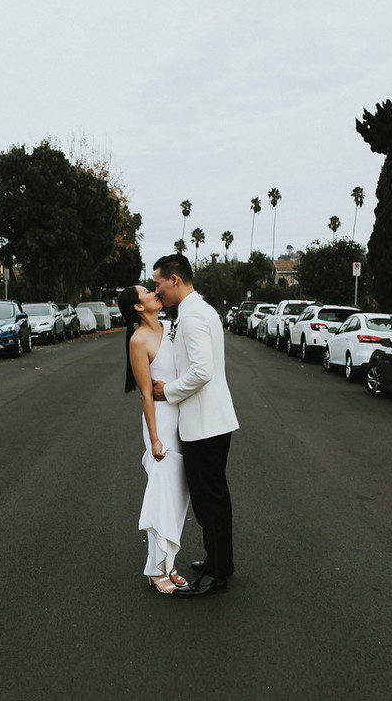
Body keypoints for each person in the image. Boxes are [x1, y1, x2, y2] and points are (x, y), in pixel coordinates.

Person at [152, 254, 239, 597]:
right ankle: (221, 560)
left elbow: (202, 371)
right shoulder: (197, 310)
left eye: (158, 283)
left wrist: (167, 392)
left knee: (209, 500)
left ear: (175, 279)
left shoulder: (192, 316)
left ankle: (217, 573)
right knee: (216, 496)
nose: (156, 290)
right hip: (210, 420)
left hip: (205, 423)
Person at [118, 284, 190, 595]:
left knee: (177, 495)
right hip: (159, 422)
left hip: (182, 420)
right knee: (162, 492)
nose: (153, 292)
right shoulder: (138, 340)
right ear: (137, 306)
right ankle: (155, 568)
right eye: (147, 292)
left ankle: (169, 562)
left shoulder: (171, 328)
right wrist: (155, 439)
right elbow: (146, 394)